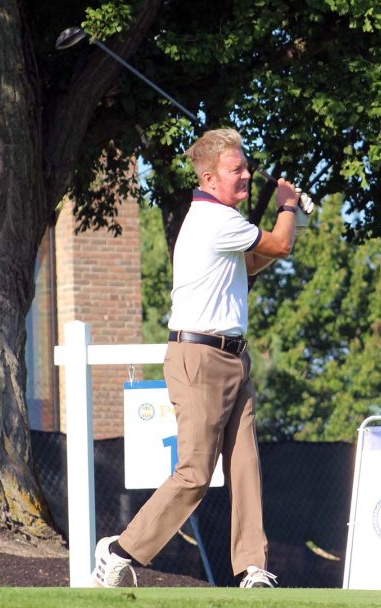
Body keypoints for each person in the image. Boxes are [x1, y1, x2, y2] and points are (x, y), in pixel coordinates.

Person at [93, 128, 301, 589]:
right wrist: (287, 204)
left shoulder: (224, 223)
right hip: (199, 359)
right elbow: (280, 245)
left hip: (233, 358)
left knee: (245, 464)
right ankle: (119, 549)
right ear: (209, 178)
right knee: (194, 474)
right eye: (236, 170)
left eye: (245, 166)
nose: (246, 174)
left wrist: (291, 219)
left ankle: (252, 568)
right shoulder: (214, 219)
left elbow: (252, 262)